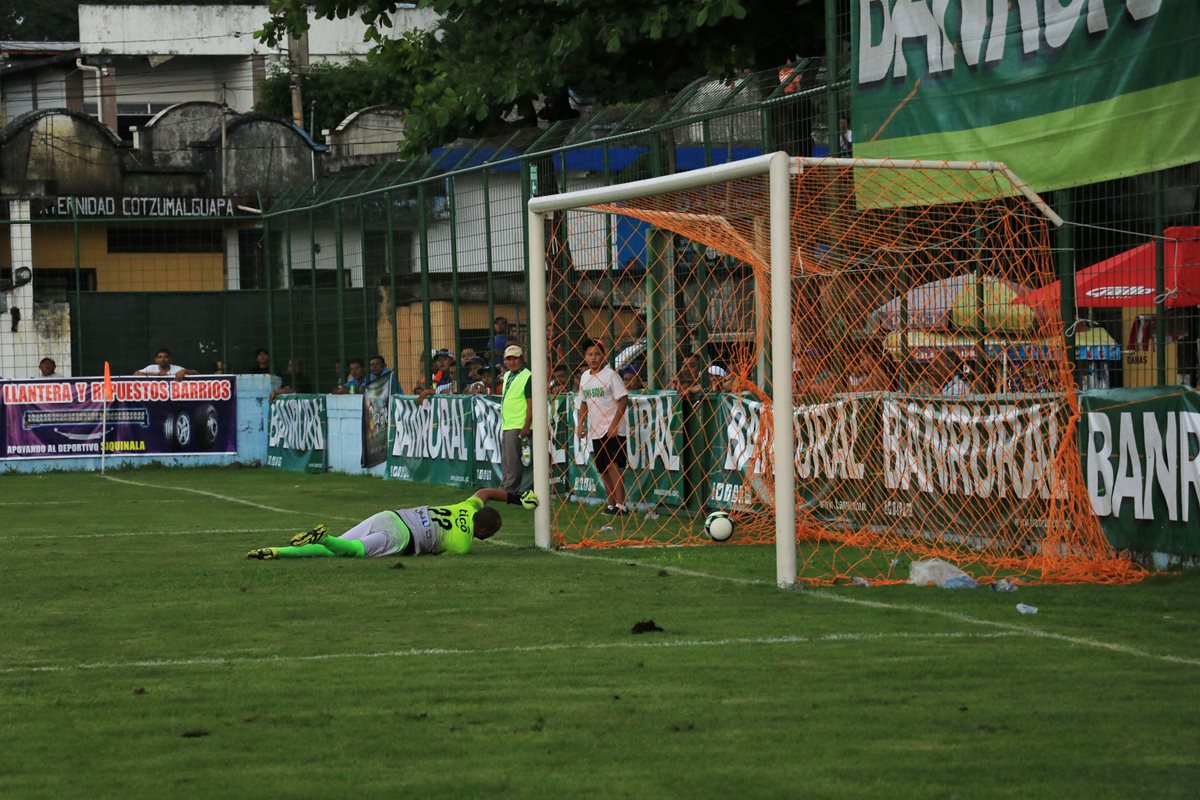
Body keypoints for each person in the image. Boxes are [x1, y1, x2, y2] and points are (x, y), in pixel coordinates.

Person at [246, 487, 540, 560]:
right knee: (354, 552)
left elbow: (486, 493)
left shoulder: (467, 505)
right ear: (485, 532)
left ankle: (277, 551)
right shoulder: (462, 544)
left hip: (390, 515)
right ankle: (322, 538)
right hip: (402, 537)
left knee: (342, 548)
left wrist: (516, 498)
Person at [576, 338, 630, 515]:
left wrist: (614, 425)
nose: (593, 358)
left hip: (612, 429)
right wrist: (580, 424)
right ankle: (611, 503)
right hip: (595, 430)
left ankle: (621, 505)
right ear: (585, 357)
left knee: (613, 465)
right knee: (602, 468)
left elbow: (623, 399)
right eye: (590, 354)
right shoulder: (584, 377)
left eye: (597, 354)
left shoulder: (610, 375)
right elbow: (583, 403)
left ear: (604, 356)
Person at [499, 345, 533, 494]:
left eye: (515, 358)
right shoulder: (507, 376)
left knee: (513, 462)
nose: (512, 362)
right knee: (507, 460)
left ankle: (509, 491)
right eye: (509, 359)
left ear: (522, 359)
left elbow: (531, 404)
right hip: (508, 424)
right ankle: (505, 486)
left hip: (519, 424)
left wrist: (526, 425)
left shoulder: (528, 376)